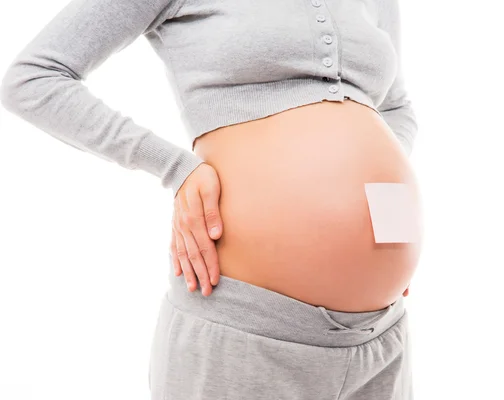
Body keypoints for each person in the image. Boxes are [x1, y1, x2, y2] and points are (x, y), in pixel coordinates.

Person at [0, 0, 423, 398]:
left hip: (382, 334)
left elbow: (396, 108)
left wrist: (385, 219)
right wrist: (173, 166)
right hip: (245, 323)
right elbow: (34, 78)